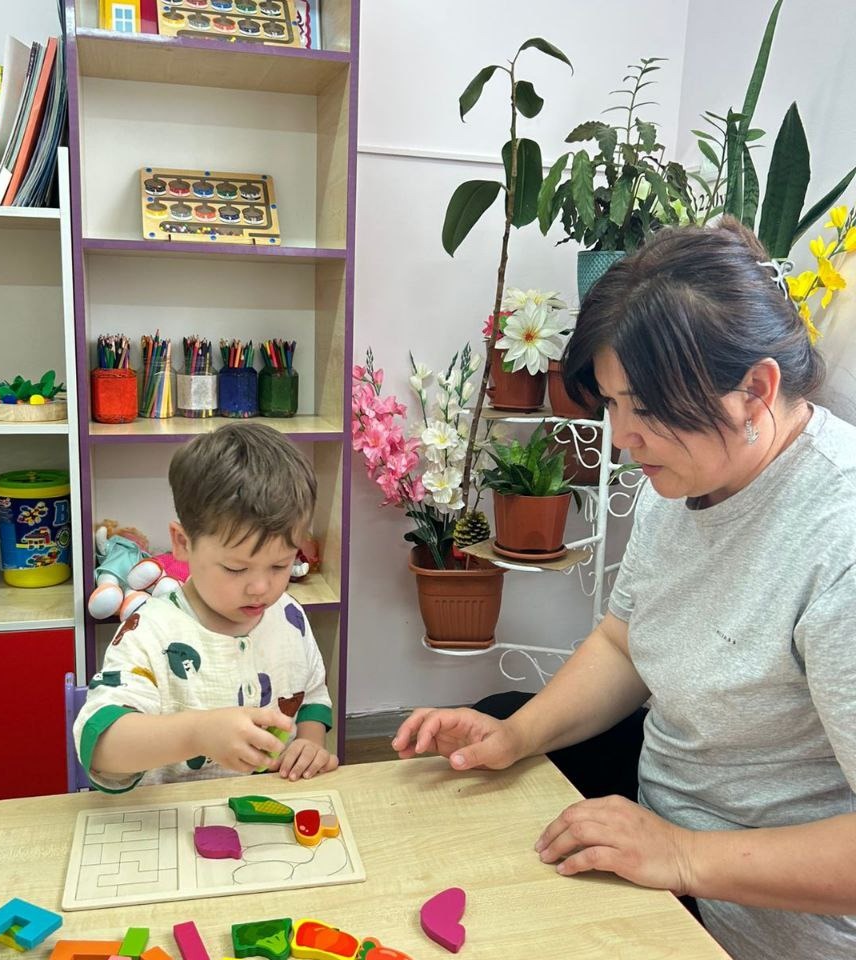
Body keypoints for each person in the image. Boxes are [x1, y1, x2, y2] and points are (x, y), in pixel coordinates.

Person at [393, 217, 856, 960]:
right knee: (496, 728)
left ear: (755, 390)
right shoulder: (681, 479)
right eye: (612, 403)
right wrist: (519, 735)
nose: (622, 436)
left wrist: (682, 855)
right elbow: (623, 642)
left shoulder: (838, 538)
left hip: (766, 924)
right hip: (659, 858)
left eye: (647, 407)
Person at [74, 422, 337, 792]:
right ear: (183, 543)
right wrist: (196, 733)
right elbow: (100, 748)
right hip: (175, 818)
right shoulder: (149, 631)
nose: (261, 588)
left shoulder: (288, 614)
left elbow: (310, 696)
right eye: (236, 568)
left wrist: (309, 744)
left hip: (271, 808)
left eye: (280, 565)